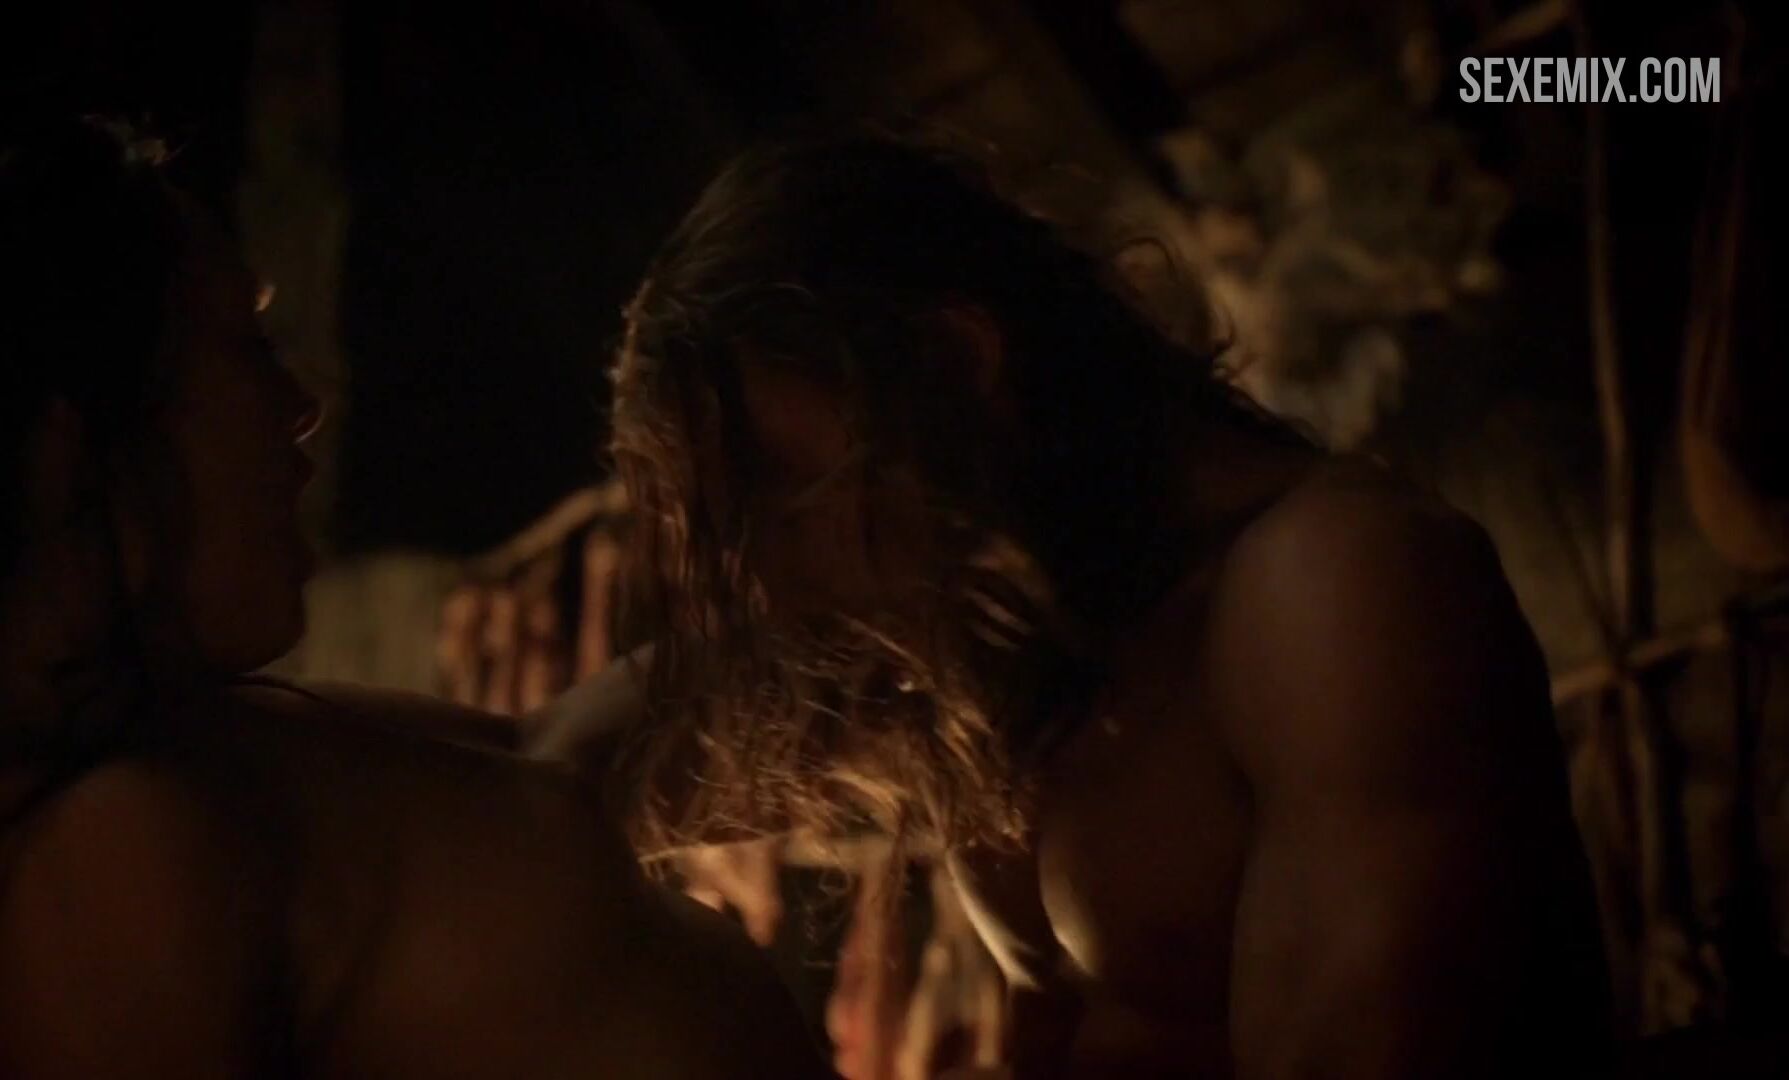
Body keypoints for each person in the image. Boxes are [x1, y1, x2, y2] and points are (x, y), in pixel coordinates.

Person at [530, 131, 1614, 1078]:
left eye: (779, 494)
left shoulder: (1328, 592)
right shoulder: (1001, 635)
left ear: (955, 365)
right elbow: (548, 775)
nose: (765, 578)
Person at [0, 117, 828, 1079]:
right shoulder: (107, 870)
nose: (300, 408)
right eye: (246, 346)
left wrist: (828, 609)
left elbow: (551, 757)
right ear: (69, 455)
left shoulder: (209, 744)